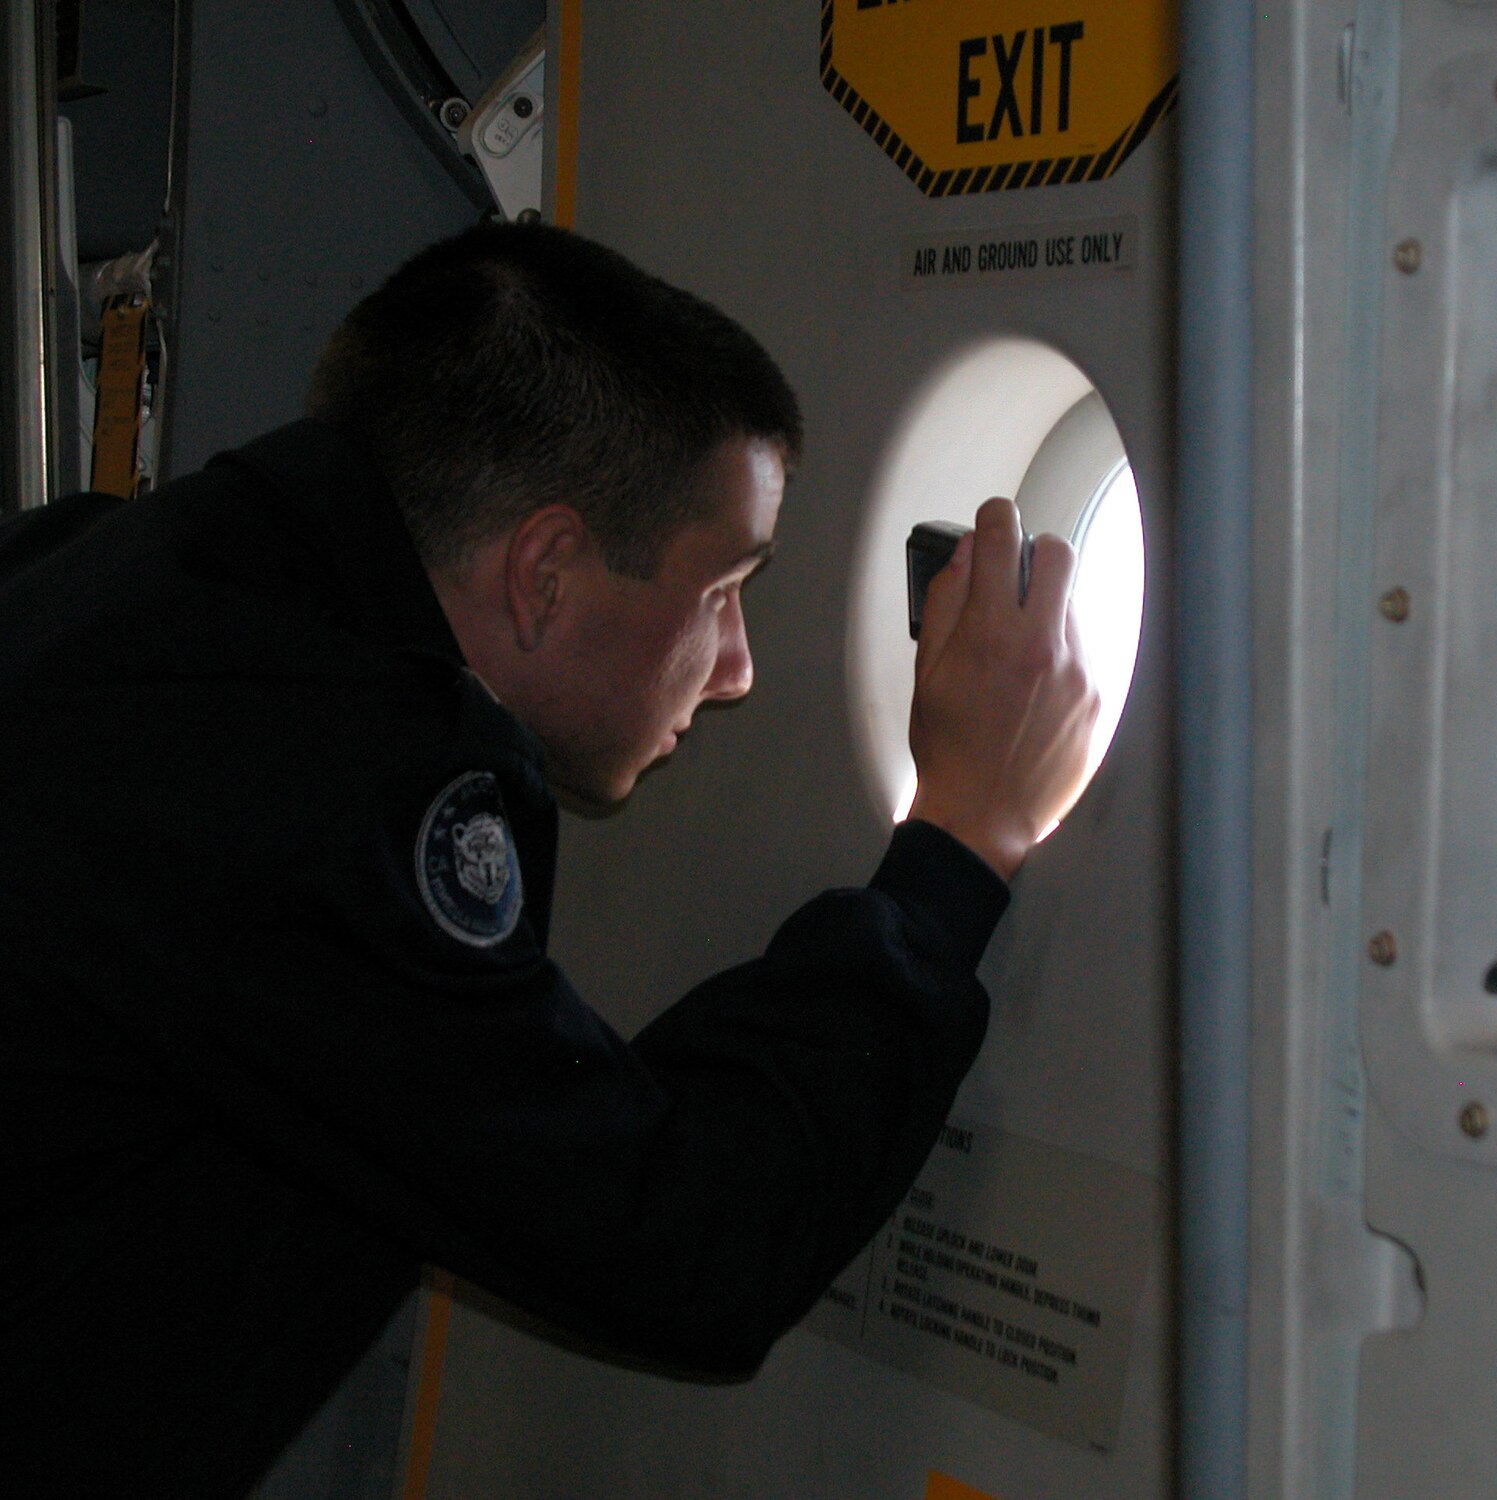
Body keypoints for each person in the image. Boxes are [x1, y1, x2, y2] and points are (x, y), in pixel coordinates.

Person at [0, 223, 1098, 1497]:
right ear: (544, 573)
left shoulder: (94, 571)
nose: (736, 670)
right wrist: (963, 835)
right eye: (724, 589)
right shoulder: (331, 783)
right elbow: (676, 1241)